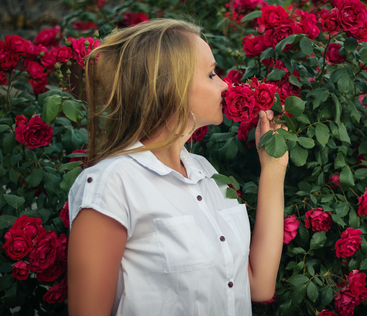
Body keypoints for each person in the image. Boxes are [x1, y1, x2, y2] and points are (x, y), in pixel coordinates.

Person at [67, 19, 288, 316]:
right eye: (211, 74)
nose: (225, 84)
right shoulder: (112, 184)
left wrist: (273, 167)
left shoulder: (207, 175)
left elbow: (259, 285)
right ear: (170, 86)